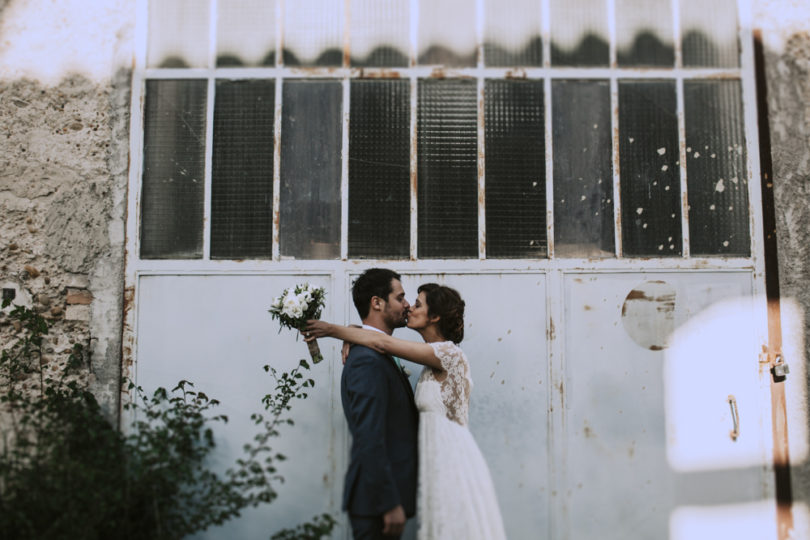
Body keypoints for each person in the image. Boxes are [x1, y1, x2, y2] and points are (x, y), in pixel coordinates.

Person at [305, 282, 507, 540]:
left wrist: (334, 330)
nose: (410, 307)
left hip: (451, 456)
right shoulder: (429, 357)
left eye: (418, 304)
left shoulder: (449, 354)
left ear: (434, 316)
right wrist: (355, 331)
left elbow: (381, 342)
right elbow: (380, 340)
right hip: (433, 456)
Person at [331, 268, 419, 539]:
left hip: (382, 499)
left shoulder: (377, 352)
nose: (407, 305)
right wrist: (388, 502)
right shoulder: (367, 361)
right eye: (400, 297)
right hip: (376, 503)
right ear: (377, 302)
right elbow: (368, 436)